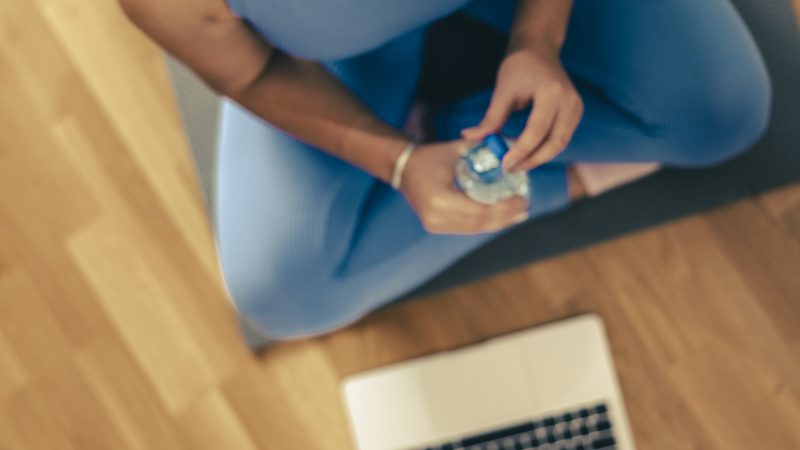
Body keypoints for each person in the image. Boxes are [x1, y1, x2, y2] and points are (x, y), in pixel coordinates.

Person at [120, 0, 771, 340]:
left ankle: (483, 125)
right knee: (283, 296)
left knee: (723, 115)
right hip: (336, 56)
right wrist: (397, 160)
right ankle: (556, 167)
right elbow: (251, 71)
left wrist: (538, 40)